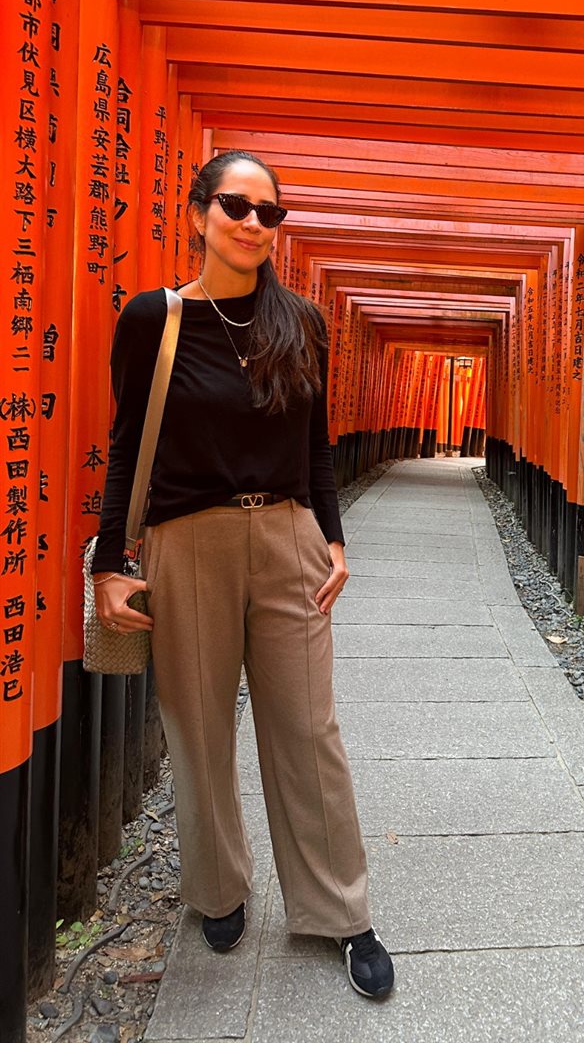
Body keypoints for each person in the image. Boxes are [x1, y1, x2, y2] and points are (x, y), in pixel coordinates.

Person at [90, 149, 394, 1000]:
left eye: (271, 214)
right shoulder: (154, 318)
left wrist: (333, 540)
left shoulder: (302, 322)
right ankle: (217, 889)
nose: (255, 225)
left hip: (289, 536)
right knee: (197, 725)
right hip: (188, 542)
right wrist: (108, 566)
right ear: (197, 213)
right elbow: (125, 453)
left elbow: (317, 444)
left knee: (309, 729)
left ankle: (341, 911)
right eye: (237, 206)